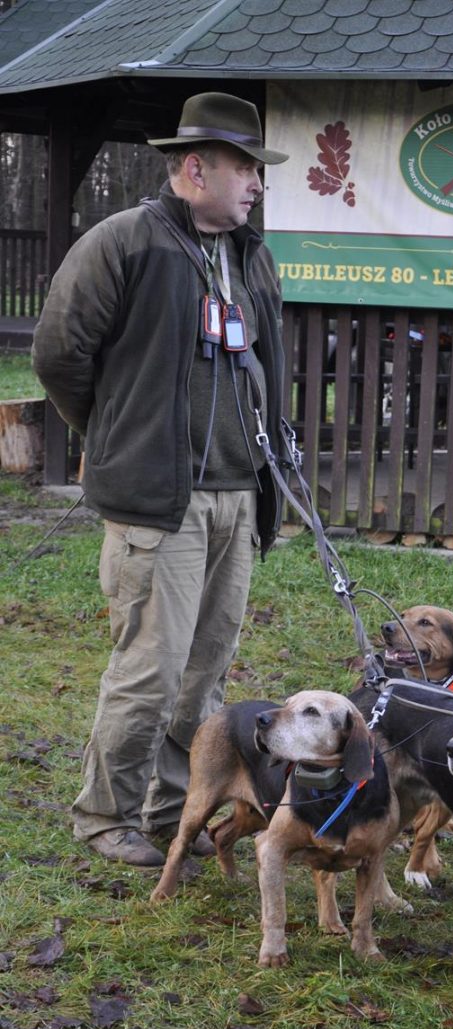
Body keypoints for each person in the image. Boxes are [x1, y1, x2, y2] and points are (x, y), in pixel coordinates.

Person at [32, 92, 290, 866]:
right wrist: (118, 435)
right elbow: (58, 355)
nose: (254, 184)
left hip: (239, 498)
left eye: (256, 170)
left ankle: (174, 808)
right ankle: (104, 814)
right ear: (193, 167)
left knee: (205, 672)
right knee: (150, 668)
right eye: (243, 169)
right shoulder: (123, 244)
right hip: (157, 503)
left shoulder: (252, 255)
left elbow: (269, 366)